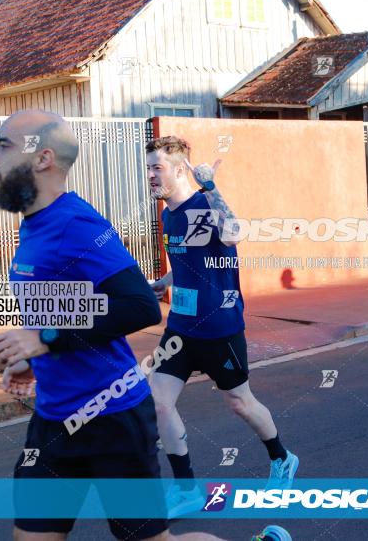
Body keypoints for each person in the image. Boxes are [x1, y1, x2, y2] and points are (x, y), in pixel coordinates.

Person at [0, 110, 170, 540]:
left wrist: (45, 340)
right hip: (52, 420)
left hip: (113, 419)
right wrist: (36, 358)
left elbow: (140, 306)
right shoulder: (36, 223)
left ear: (43, 158)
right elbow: (66, 308)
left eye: (4, 145)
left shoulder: (76, 224)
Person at [145, 136, 298, 518]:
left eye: (156, 168)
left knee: (239, 403)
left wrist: (210, 186)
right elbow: (190, 257)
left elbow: (232, 234)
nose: (149, 175)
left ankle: (282, 458)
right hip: (180, 329)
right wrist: (166, 280)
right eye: (147, 167)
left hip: (219, 328)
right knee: (159, 402)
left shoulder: (203, 204)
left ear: (180, 171)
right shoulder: (169, 213)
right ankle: (187, 489)